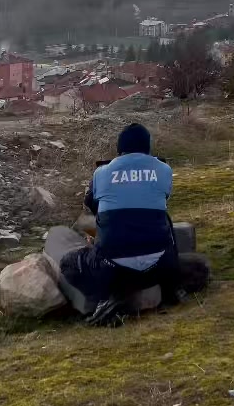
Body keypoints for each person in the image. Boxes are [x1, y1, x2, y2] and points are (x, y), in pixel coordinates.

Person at [60, 122, 208, 325]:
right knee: (170, 229)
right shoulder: (163, 170)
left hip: (112, 269)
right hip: (159, 266)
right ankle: (171, 290)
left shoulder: (101, 173)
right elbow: (162, 200)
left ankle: (102, 301)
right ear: (148, 147)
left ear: (119, 150)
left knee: (68, 263)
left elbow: (91, 203)